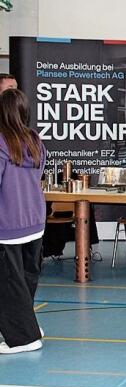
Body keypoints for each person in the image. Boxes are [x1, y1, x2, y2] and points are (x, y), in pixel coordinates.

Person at [0, 89, 46, 354]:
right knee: (25, 279)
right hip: (34, 222)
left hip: (7, 225)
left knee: (9, 283)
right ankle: (27, 324)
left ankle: (24, 337)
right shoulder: (35, 140)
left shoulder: (2, 143)